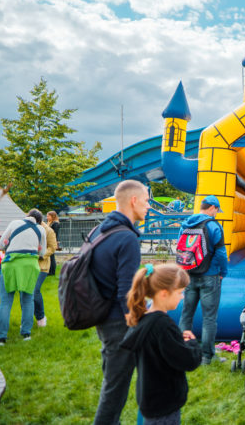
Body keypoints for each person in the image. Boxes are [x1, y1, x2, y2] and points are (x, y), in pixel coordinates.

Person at [90, 180, 150, 424]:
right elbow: (126, 290)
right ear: (133, 200)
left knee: (111, 381)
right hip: (118, 323)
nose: (148, 207)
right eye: (146, 201)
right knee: (115, 391)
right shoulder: (126, 238)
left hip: (102, 316)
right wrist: (138, 322)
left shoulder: (101, 230)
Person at [120, 264, 202, 425]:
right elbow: (187, 360)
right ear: (164, 294)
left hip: (150, 399)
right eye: (179, 292)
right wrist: (192, 343)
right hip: (165, 404)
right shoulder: (162, 325)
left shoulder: (144, 319)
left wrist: (177, 339)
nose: (182, 297)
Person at [178, 195, 228, 365]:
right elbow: (221, 253)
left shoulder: (186, 224)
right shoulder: (214, 226)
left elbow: (180, 248)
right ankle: (207, 356)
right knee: (209, 318)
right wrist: (223, 271)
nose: (217, 214)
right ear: (212, 208)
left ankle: (181, 351)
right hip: (210, 275)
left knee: (186, 313)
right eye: (217, 210)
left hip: (189, 275)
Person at [0, 208, 46, 345]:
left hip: (11, 265)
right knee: (27, 300)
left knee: (6, 302)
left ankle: (1, 338)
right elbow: (42, 252)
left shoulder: (14, 223)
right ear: (39, 221)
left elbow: (0, 245)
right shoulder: (41, 230)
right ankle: (26, 334)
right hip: (30, 266)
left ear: (27, 216)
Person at [33, 215, 57, 328]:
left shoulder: (49, 230)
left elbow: (52, 247)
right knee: (26, 293)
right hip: (28, 265)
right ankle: (27, 319)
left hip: (42, 266)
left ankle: (41, 317)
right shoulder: (29, 228)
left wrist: (41, 255)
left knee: (35, 291)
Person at [46, 210, 60, 276]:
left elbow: (55, 234)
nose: (47, 217)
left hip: (52, 242)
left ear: (52, 216)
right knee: (50, 256)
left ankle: (52, 272)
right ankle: (50, 271)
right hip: (50, 241)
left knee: (51, 257)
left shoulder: (55, 224)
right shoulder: (51, 223)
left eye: (48, 216)